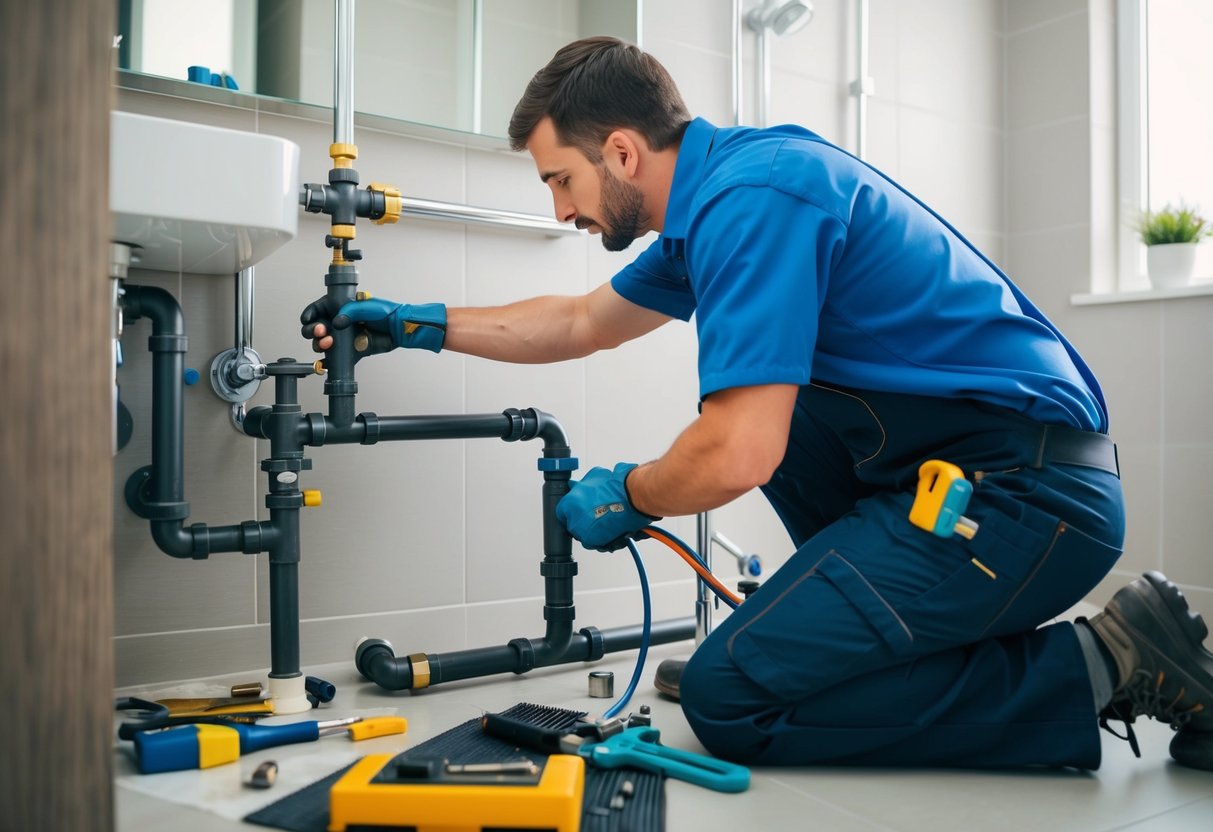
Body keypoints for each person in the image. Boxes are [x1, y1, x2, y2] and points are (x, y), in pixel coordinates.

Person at [304, 36, 1213, 771]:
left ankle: (1107, 663)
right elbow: (581, 320)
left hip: (1028, 501)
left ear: (621, 150)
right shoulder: (722, 198)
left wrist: (636, 490)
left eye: (559, 180)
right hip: (979, 487)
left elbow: (739, 453)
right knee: (789, 412)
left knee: (731, 697)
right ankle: (817, 647)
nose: (557, 212)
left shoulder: (753, 198)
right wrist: (418, 323)